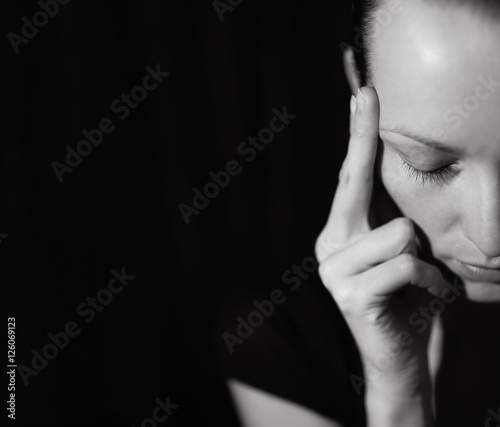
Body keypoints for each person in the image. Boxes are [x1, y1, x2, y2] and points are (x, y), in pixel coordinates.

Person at [216, 1, 500, 425]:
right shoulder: (285, 335)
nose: (490, 238)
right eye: (429, 164)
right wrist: (399, 396)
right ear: (357, 83)